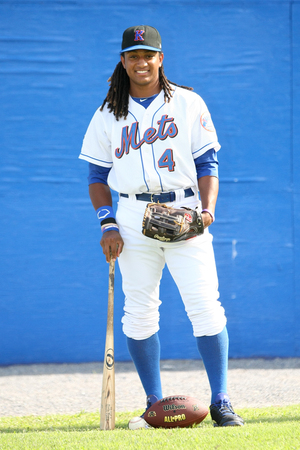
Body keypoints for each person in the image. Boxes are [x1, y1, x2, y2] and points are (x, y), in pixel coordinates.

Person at [79, 25, 244, 428]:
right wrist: (108, 225)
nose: (141, 62)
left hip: (184, 210)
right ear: (123, 61)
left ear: (160, 58)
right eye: (133, 55)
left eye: (147, 54)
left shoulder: (188, 103)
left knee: (205, 306)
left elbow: (208, 164)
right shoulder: (107, 113)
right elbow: (96, 178)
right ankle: (154, 402)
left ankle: (221, 400)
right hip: (133, 216)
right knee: (138, 313)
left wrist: (206, 212)